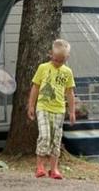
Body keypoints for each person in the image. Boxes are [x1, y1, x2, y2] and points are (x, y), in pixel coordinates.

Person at [27, 39, 76, 179]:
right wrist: (31, 105)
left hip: (59, 110)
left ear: (66, 58)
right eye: (56, 59)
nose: (58, 63)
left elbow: (70, 93)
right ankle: (40, 166)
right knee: (45, 135)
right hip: (43, 107)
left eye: (61, 61)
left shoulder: (67, 72)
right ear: (50, 54)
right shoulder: (43, 68)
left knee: (56, 139)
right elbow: (35, 87)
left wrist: (71, 111)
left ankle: (54, 169)